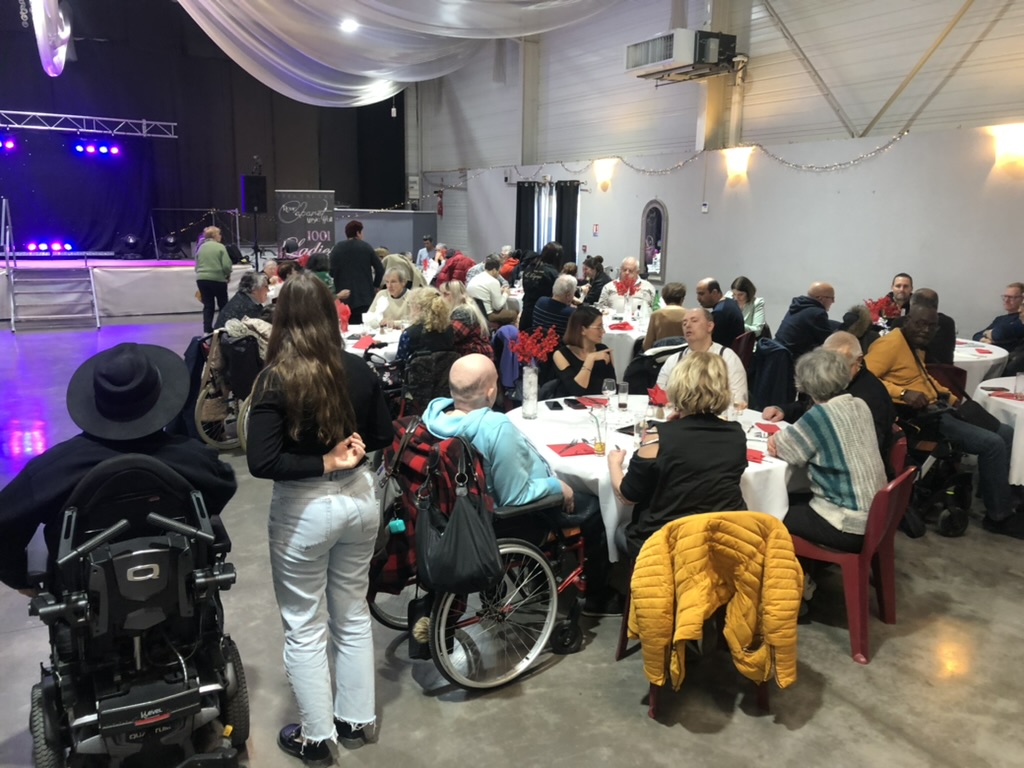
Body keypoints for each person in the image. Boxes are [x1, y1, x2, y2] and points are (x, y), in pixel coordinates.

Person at [246, 271, 394, 762]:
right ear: (332, 316)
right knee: (351, 612)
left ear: (282, 319)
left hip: (305, 509)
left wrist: (324, 461)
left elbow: (261, 461)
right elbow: (382, 433)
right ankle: (356, 720)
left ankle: (316, 737)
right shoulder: (357, 368)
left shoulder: (276, 377)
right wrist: (346, 451)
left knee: (304, 624)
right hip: (359, 501)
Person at [0, 343, 237, 593]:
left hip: (83, 598)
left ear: (95, 401)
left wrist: (20, 580)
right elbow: (222, 489)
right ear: (159, 397)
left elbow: (4, 523)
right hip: (180, 588)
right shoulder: (195, 458)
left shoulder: (52, 470)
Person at [421, 354, 617, 616]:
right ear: (491, 391)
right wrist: (558, 487)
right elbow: (515, 496)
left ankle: (539, 578)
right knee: (595, 508)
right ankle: (597, 597)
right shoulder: (494, 427)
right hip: (504, 519)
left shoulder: (434, 416)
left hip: (460, 509)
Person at [865, 303, 1024, 538]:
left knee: (1006, 432)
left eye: (931, 326)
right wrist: (902, 393)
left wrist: (948, 395)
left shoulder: (913, 345)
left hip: (938, 407)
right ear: (907, 321)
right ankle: (998, 517)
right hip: (920, 419)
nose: (925, 330)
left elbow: (921, 378)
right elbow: (866, 379)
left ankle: (997, 495)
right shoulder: (890, 344)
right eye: (920, 324)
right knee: (993, 444)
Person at [608, 352, 747, 558]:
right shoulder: (736, 434)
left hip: (667, 541)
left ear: (678, 387)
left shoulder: (658, 439)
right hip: (721, 537)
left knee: (617, 530)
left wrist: (614, 464)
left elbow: (628, 496)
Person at [768, 348, 886, 552]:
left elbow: (785, 448)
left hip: (846, 523)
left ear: (804, 384)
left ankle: (781, 569)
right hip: (876, 516)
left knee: (764, 511)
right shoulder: (860, 404)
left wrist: (775, 440)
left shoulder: (820, 416)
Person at [762, 331, 895, 473]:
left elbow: (866, 448)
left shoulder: (870, 397)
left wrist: (782, 442)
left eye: (841, 366)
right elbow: (809, 407)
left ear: (858, 361)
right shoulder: (846, 394)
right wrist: (784, 410)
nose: (831, 371)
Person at [656, 308, 747, 408]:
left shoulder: (728, 358)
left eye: (694, 321)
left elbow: (738, 401)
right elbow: (659, 397)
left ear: (710, 326)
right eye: (684, 323)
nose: (688, 325)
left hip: (718, 416)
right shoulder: (673, 360)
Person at [551, 305, 615, 397]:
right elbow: (576, 390)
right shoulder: (561, 355)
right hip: (569, 404)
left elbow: (611, 386)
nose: (603, 331)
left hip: (599, 403)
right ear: (583, 330)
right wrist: (590, 358)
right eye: (599, 327)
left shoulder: (603, 350)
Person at [328, 220, 384, 324]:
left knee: (345, 328)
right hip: (364, 297)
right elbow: (380, 269)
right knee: (364, 328)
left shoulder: (337, 248)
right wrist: (375, 286)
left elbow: (331, 272)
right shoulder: (366, 247)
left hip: (344, 298)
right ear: (358, 233)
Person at [888, 288, 956, 364]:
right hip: (944, 370)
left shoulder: (903, 322)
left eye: (932, 326)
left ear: (912, 305)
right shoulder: (948, 322)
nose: (926, 330)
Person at [775, 282, 839, 360]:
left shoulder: (798, 306)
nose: (833, 301)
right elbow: (828, 342)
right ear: (820, 298)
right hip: (794, 360)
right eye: (832, 298)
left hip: (779, 354)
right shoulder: (817, 313)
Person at [394, 287, 455, 363]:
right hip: (446, 369)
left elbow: (399, 361)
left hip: (417, 370)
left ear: (417, 308)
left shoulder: (409, 334)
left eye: (410, 306)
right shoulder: (449, 328)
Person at [195, 225, 234, 333]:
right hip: (217, 279)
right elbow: (226, 265)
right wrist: (227, 275)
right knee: (223, 304)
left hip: (202, 279)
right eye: (219, 234)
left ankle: (207, 330)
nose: (220, 236)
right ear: (215, 235)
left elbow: (196, 266)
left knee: (208, 305)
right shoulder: (220, 247)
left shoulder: (200, 248)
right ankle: (222, 326)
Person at [439, 280, 492, 359]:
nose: (441, 298)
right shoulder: (464, 308)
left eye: (446, 294)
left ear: (456, 295)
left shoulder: (464, 312)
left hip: (475, 356)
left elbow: (450, 338)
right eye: (440, 294)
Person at [520, 242, 562, 330]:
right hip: (543, 315)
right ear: (557, 257)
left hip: (527, 312)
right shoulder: (552, 273)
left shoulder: (529, 267)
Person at [467, 255, 517, 325]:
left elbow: (485, 291)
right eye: (499, 272)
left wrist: (499, 290)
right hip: (487, 315)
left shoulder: (476, 278)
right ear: (494, 270)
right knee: (514, 313)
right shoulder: (493, 281)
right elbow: (497, 306)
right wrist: (505, 293)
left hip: (473, 312)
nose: (499, 274)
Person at [696, 277, 745, 347]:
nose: (698, 298)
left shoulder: (720, 313)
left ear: (714, 292)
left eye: (701, 294)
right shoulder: (730, 302)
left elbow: (711, 343)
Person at [973, 282, 1024, 348]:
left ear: (1022, 299)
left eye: (1011, 297)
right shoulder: (1000, 319)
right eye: (1005, 296)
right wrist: (983, 339)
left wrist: (988, 334)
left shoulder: (1021, 319)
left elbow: (1000, 334)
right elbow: (976, 335)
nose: (1006, 300)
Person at [641, 282, 686, 351]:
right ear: (682, 299)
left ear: (664, 299)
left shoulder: (656, 315)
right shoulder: (689, 314)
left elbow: (647, 345)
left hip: (660, 355)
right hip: (682, 355)